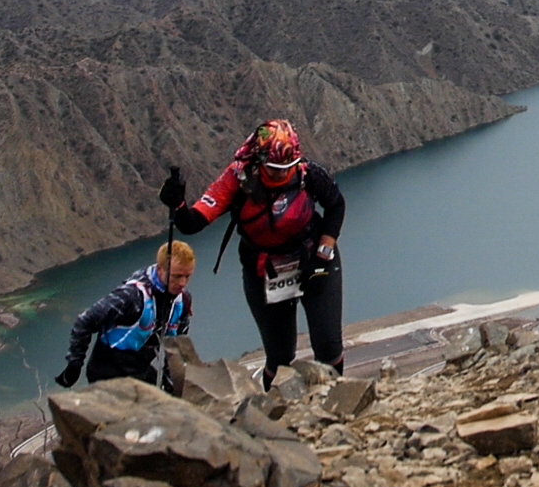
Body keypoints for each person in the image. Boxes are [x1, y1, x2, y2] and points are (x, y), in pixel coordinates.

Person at [161, 119, 346, 389]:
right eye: (274, 169)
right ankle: (277, 409)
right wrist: (176, 205)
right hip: (263, 270)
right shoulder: (237, 179)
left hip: (313, 259)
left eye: (287, 168)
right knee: (280, 355)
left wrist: (322, 257)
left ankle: (336, 401)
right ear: (258, 161)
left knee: (328, 343)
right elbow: (192, 223)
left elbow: (336, 206)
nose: (282, 174)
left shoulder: (307, 173)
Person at [55, 240, 194, 389]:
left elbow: (177, 342)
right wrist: (74, 364)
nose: (183, 283)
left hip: (138, 369)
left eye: (187, 276)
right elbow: (86, 320)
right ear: (160, 269)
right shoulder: (132, 296)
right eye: (177, 276)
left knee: (169, 401)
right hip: (107, 373)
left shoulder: (182, 300)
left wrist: (172, 376)